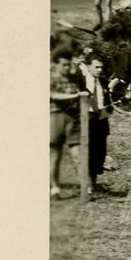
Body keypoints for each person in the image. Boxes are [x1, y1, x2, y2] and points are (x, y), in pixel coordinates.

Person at [48, 49, 87, 196]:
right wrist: (74, 95)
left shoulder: (74, 78)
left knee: (78, 153)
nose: (66, 67)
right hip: (55, 116)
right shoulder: (51, 78)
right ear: (56, 64)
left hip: (73, 118)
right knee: (55, 154)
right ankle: (54, 187)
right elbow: (52, 94)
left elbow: (84, 90)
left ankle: (85, 187)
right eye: (63, 64)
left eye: (68, 64)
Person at [78, 52, 112, 190]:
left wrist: (108, 109)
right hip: (87, 119)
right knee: (88, 151)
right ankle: (85, 184)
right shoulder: (82, 81)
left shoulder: (103, 81)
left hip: (101, 119)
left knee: (100, 151)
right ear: (88, 66)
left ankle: (94, 182)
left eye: (101, 67)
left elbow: (107, 99)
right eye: (97, 67)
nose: (100, 70)